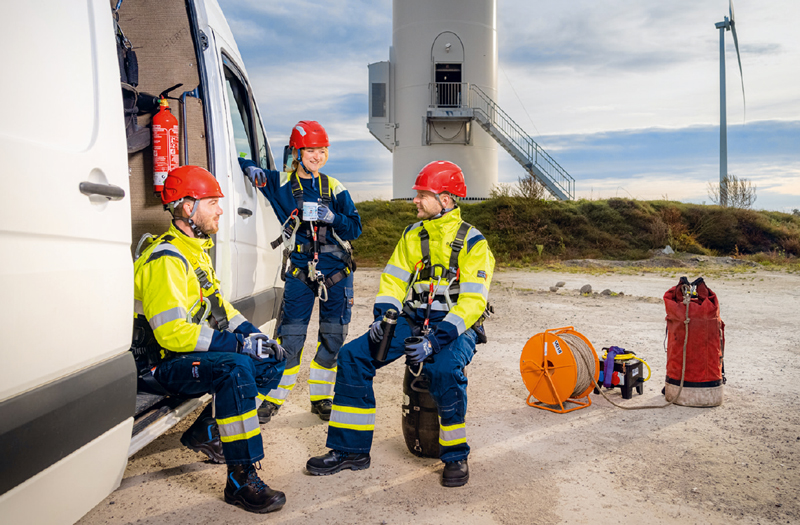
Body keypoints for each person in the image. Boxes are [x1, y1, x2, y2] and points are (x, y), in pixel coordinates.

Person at [305, 160, 494, 487]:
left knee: (444, 371)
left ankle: (456, 455)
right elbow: (393, 280)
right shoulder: (412, 235)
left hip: (453, 326)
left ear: (445, 200)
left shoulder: (474, 243)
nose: (415, 201)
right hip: (411, 319)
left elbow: (473, 303)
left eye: (423, 194)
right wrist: (383, 317)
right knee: (353, 357)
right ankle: (350, 451)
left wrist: (436, 341)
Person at [132, 165, 288, 514]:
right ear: (188, 207)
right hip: (161, 364)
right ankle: (240, 480)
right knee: (234, 368)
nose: (220, 209)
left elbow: (221, 311)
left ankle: (207, 432)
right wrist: (236, 346)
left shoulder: (194, 251)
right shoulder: (166, 260)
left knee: (271, 358)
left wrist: (253, 336)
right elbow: (172, 334)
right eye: (213, 202)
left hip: (184, 357)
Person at [238, 120, 362, 423]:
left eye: (321, 151)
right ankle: (272, 398)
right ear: (297, 152)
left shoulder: (335, 187)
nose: (316, 156)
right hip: (300, 272)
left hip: (337, 272)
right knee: (290, 338)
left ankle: (322, 398)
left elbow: (355, 228)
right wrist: (249, 166)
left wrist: (333, 217)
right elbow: (239, 158)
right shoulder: (278, 183)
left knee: (333, 337)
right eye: (310, 150)